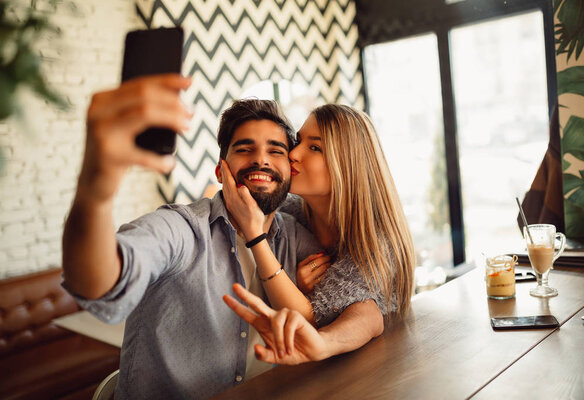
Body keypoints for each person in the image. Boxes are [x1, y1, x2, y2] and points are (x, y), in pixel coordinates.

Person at [62, 75, 383, 399]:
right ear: (220, 171)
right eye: (245, 149)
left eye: (276, 150)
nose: (261, 159)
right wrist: (95, 193)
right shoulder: (181, 229)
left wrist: (326, 343)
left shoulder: (294, 235)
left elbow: (367, 312)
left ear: (288, 170)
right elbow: (102, 281)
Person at [221, 103, 416, 361]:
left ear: (347, 166)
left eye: (314, 147)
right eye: (298, 140)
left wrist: (256, 237)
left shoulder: (376, 245)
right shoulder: (289, 211)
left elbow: (316, 320)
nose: (293, 153)